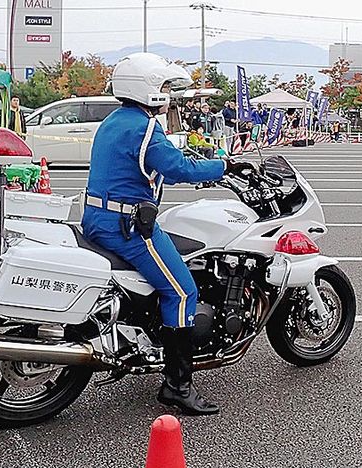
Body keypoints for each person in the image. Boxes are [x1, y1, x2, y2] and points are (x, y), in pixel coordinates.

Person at [82, 53, 250, 415]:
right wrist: (224, 165)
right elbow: (177, 167)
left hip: (99, 218)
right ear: (147, 88)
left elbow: (154, 169)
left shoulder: (115, 121)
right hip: (127, 226)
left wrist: (199, 167)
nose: (168, 93)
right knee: (183, 291)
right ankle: (177, 386)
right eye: (164, 85)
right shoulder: (143, 127)